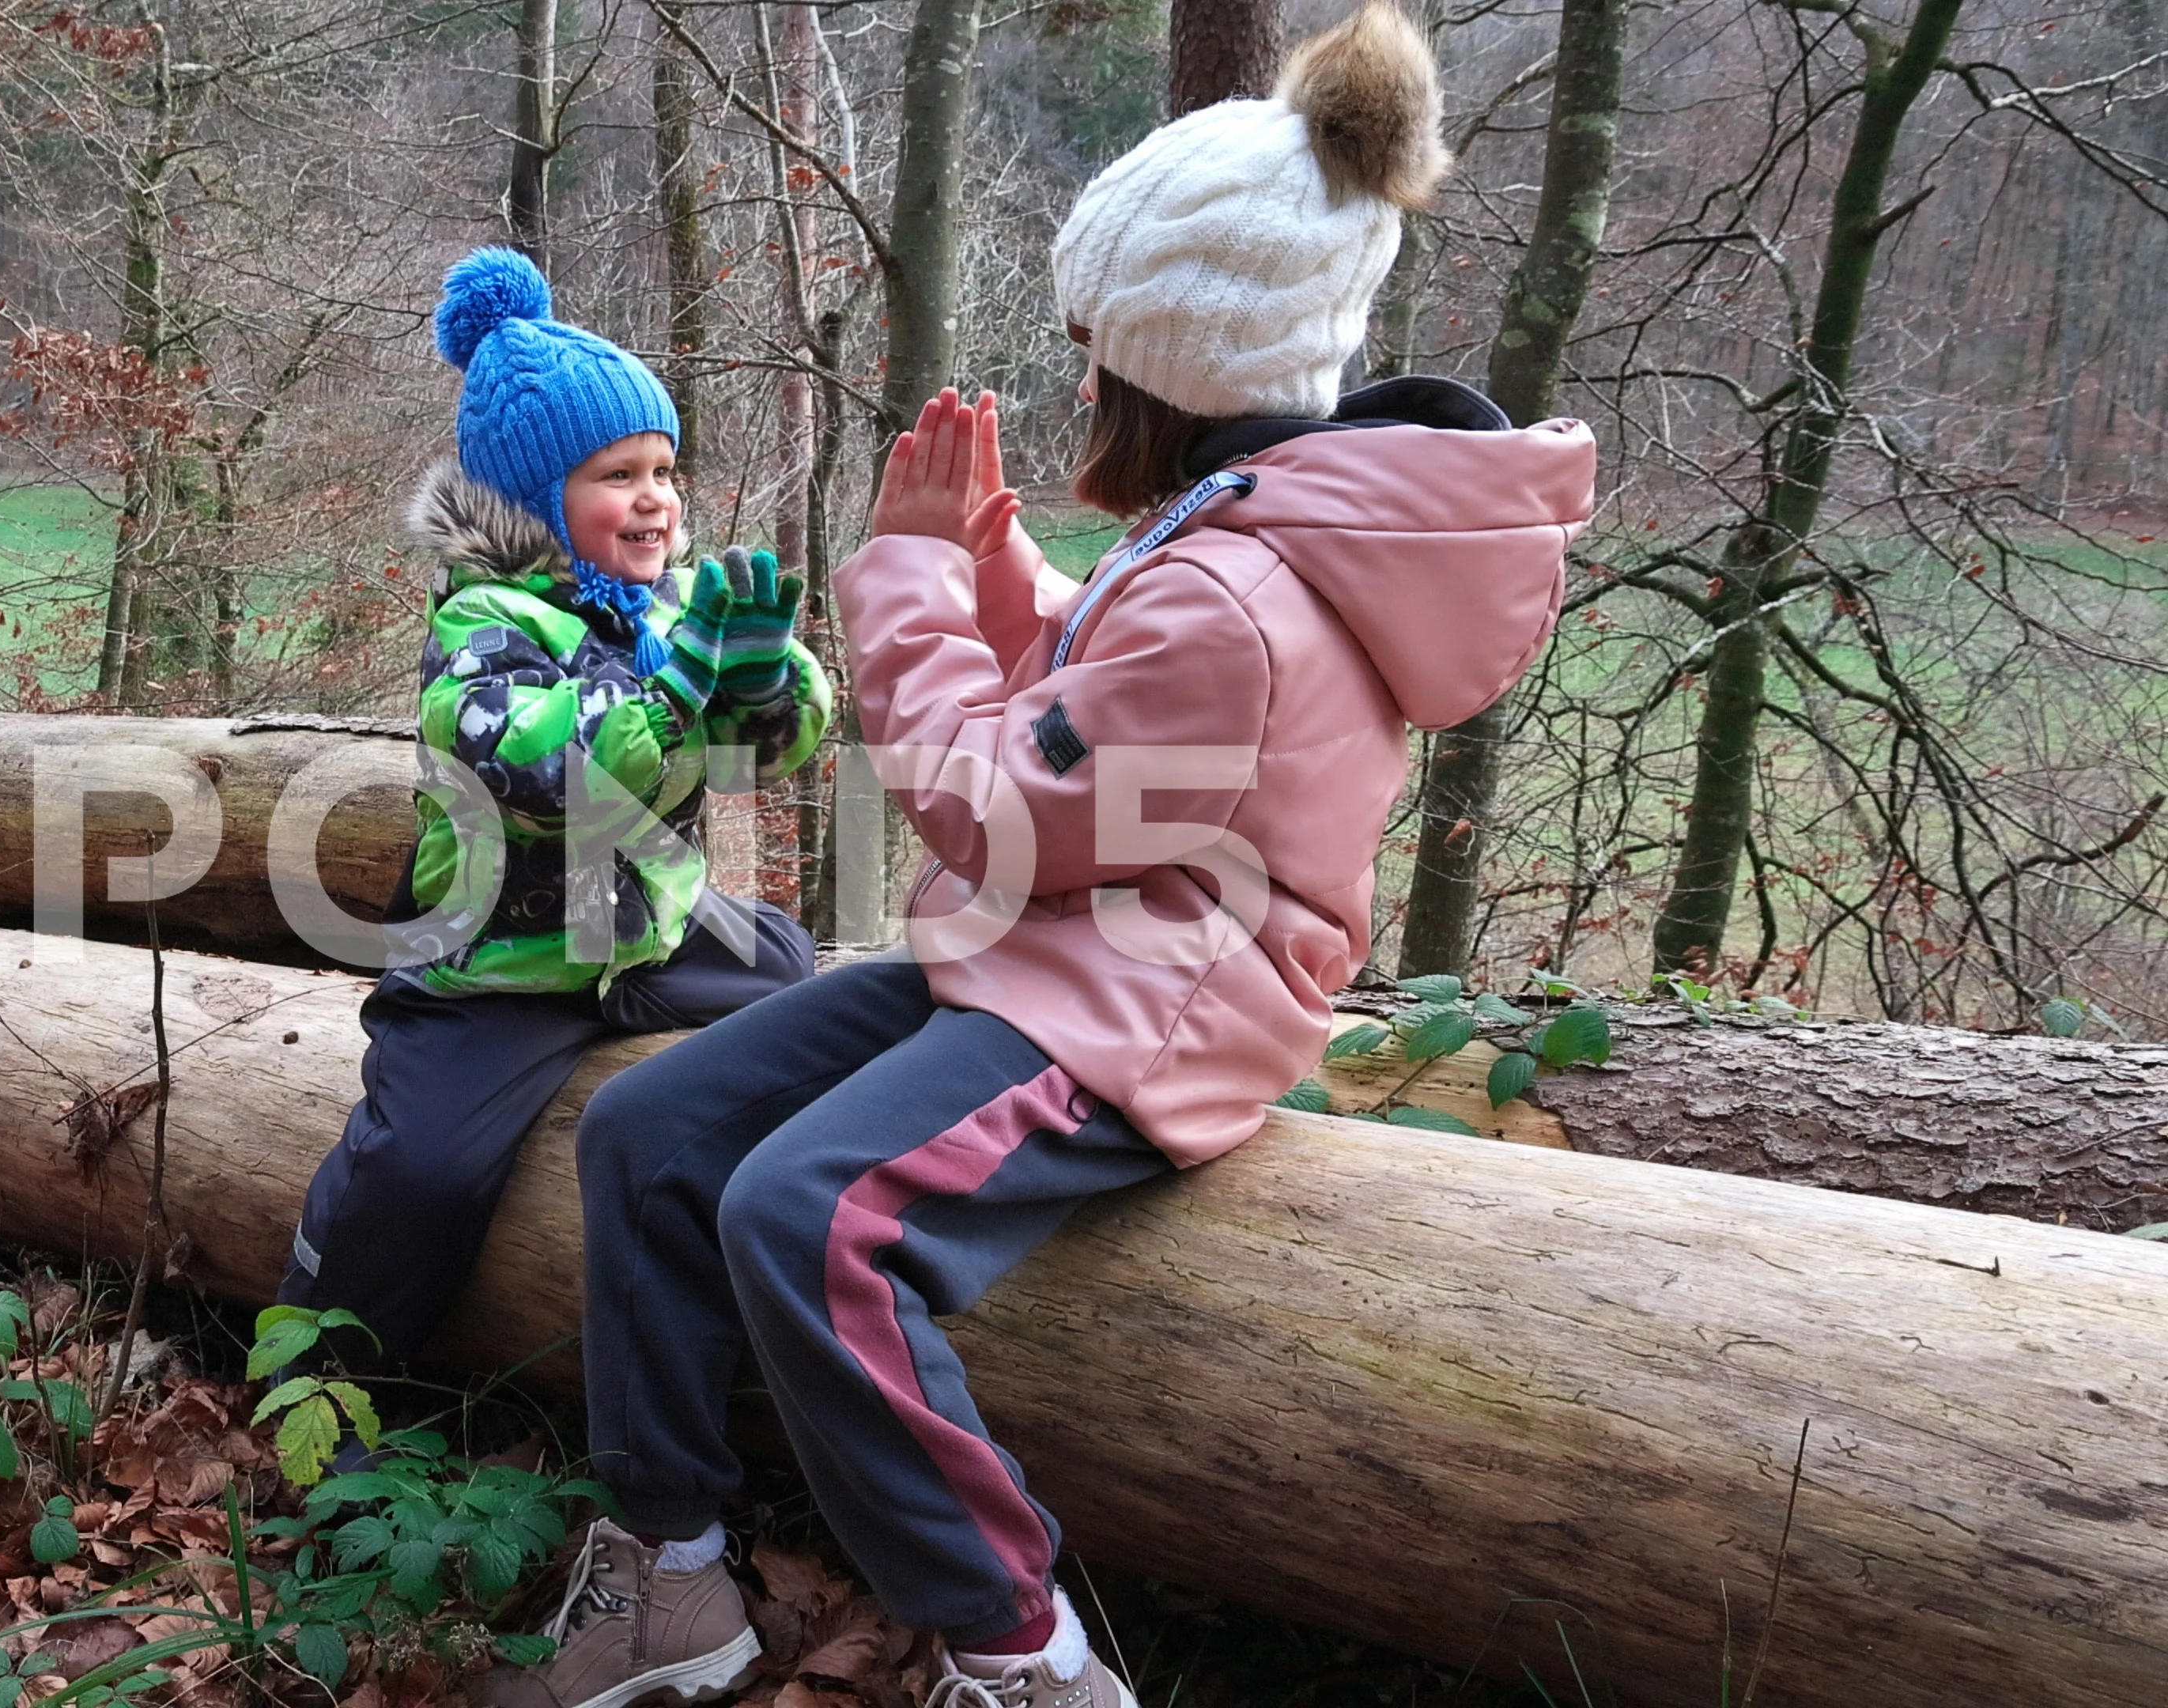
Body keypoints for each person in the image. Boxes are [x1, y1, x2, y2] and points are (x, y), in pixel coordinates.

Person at [483, 8, 1598, 1708]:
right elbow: (1098, 679)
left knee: (816, 1211)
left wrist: (911, 583)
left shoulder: (1243, 588)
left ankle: (1023, 1651)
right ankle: (675, 1575)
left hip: (1154, 998)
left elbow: (995, 801)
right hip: (1051, 944)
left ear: (1171, 364)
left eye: (1099, 351)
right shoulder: (1241, 524)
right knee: (651, 1126)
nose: (1082, 380)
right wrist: (998, 564)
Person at [276, 247, 832, 1366]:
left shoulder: (676, 604)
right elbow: (546, 776)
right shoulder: (485, 627)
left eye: (666, 470)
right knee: (420, 1168)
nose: (657, 499)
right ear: (538, 498)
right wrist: (680, 691)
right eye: (618, 474)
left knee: (791, 977)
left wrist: (770, 683)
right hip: (497, 971)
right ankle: (321, 1362)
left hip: (644, 933)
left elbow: (756, 752)